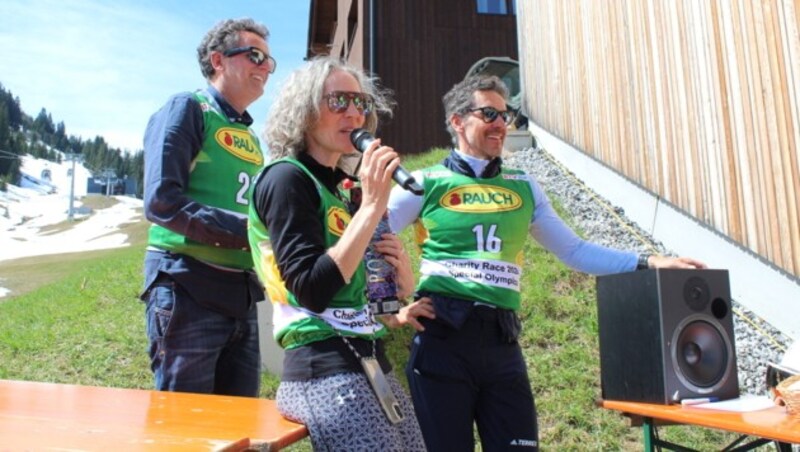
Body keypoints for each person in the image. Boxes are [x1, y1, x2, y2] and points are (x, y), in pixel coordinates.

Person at [387, 75, 707, 451]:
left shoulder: (524, 185)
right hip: (442, 339)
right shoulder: (424, 182)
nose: (501, 124)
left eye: (506, 116)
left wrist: (649, 262)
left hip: (501, 342)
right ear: (458, 121)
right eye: (489, 113)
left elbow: (574, 251)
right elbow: (365, 242)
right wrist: (391, 313)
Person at [247, 56, 431, 450]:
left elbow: (371, 300)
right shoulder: (286, 178)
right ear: (306, 111)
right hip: (325, 368)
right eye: (339, 102)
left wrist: (400, 282)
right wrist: (370, 209)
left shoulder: (343, 189)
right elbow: (312, 290)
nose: (354, 113)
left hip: (372, 361)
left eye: (361, 103)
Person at [140, 18, 275, 396]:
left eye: (269, 61)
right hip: (188, 288)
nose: (265, 67)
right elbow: (162, 201)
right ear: (218, 60)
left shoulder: (249, 135)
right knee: (187, 428)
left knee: (239, 427)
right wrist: (250, 231)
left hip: (241, 296)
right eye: (255, 56)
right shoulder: (188, 107)